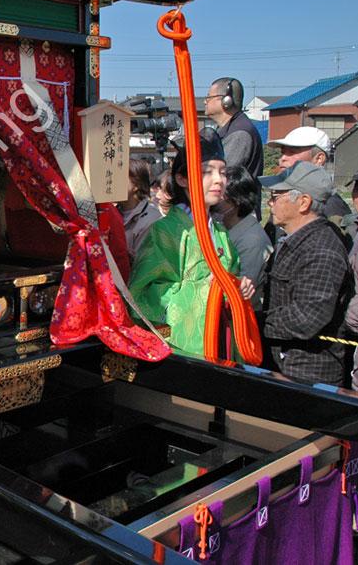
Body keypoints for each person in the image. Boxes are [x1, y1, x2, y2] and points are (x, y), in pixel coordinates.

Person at [129, 128, 254, 358]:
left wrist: (239, 287)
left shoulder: (220, 232)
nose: (219, 180)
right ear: (182, 178)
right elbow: (142, 296)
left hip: (220, 340)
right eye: (207, 172)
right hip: (183, 351)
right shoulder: (165, 232)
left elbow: (230, 277)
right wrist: (205, 291)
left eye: (223, 172)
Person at [260, 162, 351, 386]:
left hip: (307, 374)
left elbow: (307, 318)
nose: (270, 203)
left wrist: (255, 321)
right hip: (286, 364)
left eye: (276, 195)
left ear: (303, 202)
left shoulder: (322, 249)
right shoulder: (298, 240)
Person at [267, 126, 351, 221]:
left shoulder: (329, 204)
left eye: (292, 152)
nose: (283, 158)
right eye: (282, 153)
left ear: (319, 159)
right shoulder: (284, 198)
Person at [218, 167, 273, 310]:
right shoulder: (222, 227)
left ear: (235, 201)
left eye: (220, 194)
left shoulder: (251, 240)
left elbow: (242, 289)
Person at [204, 77, 264, 184]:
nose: (205, 101)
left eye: (209, 97)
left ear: (226, 100)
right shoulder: (227, 129)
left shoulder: (239, 134)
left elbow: (222, 173)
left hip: (237, 200)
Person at [118, 159, 162, 262]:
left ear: (136, 185)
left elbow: (145, 262)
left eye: (119, 178)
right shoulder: (110, 212)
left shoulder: (152, 218)